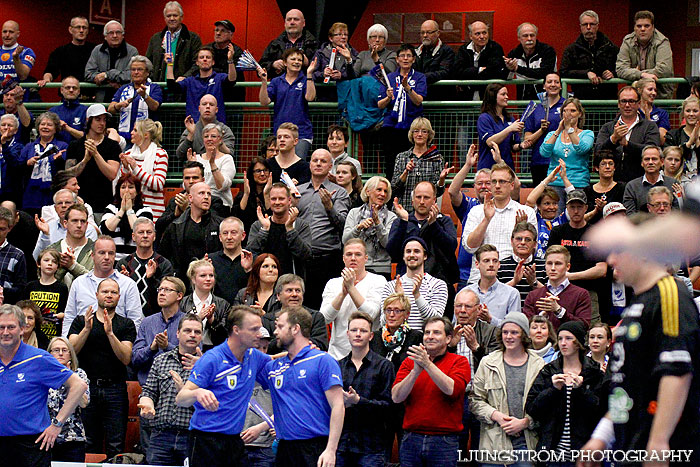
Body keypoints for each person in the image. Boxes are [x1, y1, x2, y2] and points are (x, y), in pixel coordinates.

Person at [581, 225, 700, 464]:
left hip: (669, 445)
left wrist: (659, 441)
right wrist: (601, 437)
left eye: (620, 250)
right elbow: (626, 384)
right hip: (631, 443)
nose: (612, 259)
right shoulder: (637, 304)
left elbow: (676, 372)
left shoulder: (669, 292)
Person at [175, 306, 271, 467]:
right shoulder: (213, 359)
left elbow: (278, 364)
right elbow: (181, 399)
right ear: (236, 330)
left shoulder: (254, 356)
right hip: (205, 439)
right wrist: (197, 392)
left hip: (234, 440)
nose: (259, 335)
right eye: (254, 329)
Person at [0, 304, 88, 467]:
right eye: (1, 327)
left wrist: (57, 424)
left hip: (31, 445)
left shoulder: (38, 358)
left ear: (22, 329)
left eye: (11, 327)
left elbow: (79, 385)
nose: (5, 332)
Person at [259, 306, 344, 467]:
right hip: (284, 448)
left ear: (296, 328)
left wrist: (331, 449)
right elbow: (243, 365)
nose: (275, 332)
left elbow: (338, 406)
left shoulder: (323, 360)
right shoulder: (274, 367)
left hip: (315, 448)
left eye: (280, 326)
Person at [67, 278, 136, 459]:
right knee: (89, 442)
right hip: (86, 389)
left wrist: (110, 333)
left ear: (119, 297)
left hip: (115, 389)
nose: (109, 295)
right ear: (96, 294)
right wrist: (87, 329)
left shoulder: (126, 324)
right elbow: (71, 351)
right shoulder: (82, 321)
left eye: (113, 292)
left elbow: (126, 357)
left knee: (116, 444)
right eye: (105, 291)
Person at [392, 316, 470, 467]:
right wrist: (415, 372)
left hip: (444, 442)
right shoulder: (410, 361)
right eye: (427, 332)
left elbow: (452, 389)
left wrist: (427, 364)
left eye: (436, 332)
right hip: (411, 439)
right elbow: (396, 397)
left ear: (448, 339)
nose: (430, 336)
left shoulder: (459, 362)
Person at [526, 321, 606, 460]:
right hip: (552, 451)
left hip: (584, 451)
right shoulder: (548, 370)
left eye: (568, 339)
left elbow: (602, 411)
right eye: (560, 338)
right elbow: (532, 409)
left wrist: (581, 391)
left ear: (579, 343)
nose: (563, 343)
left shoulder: (593, 373)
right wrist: (553, 390)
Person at [469, 312, 545, 458]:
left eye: (514, 332)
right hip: (493, 442)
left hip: (527, 442)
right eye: (505, 332)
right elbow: (475, 400)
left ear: (524, 335)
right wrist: (497, 416)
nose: (508, 336)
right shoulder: (488, 362)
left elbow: (545, 405)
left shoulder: (539, 365)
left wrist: (525, 422)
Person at [139, 313, 203, 466]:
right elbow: (149, 391)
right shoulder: (161, 360)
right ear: (178, 333)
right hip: (161, 436)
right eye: (187, 330)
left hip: (192, 436)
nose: (192, 335)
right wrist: (147, 404)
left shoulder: (208, 365)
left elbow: (212, 405)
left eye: (197, 332)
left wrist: (185, 392)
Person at [337, 311, 394, 466]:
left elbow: (389, 407)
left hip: (372, 445)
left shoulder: (384, 366)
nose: (358, 334)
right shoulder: (337, 366)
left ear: (371, 336)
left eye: (363, 331)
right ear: (347, 334)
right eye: (354, 330)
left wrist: (358, 401)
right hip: (342, 444)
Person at [463, 162, 537, 281]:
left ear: (512, 185)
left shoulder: (526, 212)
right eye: (494, 181)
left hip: (514, 276)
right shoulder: (476, 211)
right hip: (480, 278)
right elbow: (470, 247)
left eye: (502, 182)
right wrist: (486, 219)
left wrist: (520, 229)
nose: (497, 186)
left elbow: (532, 251)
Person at [448, 287, 501, 455]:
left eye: (468, 306)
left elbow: (496, 368)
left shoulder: (491, 331)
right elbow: (436, 366)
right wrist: (450, 347)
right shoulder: (445, 331)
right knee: (457, 451)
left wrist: (476, 348)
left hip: (482, 398)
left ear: (479, 309)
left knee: (481, 450)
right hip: (455, 399)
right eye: (458, 306)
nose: (462, 311)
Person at [61, 233, 143, 336]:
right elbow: (69, 317)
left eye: (111, 253)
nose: (107, 257)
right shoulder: (79, 283)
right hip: (82, 344)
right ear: (92, 256)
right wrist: (67, 345)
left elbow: (135, 320)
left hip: (118, 345)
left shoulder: (128, 284)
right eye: (102, 253)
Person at [297, 149, 350, 309]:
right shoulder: (298, 192)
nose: (318, 163)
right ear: (310, 164)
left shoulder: (339, 192)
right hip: (301, 259)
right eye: (315, 160)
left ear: (330, 167)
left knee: (326, 307)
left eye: (323, 161)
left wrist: (329, 207)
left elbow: (342, 225)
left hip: (327, 259)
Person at [388, 181, 458, 297]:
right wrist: (405, 222)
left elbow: (450, 248)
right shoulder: (401, 221)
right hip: (406, 283)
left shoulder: (443, 221)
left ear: (434, 200)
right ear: (412, 199)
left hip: (439, 283)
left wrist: (433, 225)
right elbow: (393, 253)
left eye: (426, 197)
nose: (421, 201)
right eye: (418, 197)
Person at [547, 191, 607, 323]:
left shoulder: (595, 233)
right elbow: (550, 262)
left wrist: (570, 276)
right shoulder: (557, 232)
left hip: (588, 292)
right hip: (560, 292)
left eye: (579, 207)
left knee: (591, 334)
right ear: (566, 208)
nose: (576, 211)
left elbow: (602, 270)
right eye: (572, 207)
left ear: (586, 208)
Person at [320, 239, 386, 360]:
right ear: (343, 258)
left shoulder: (378, 280)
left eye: (358, 254)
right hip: (337, 354)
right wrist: (342, 294)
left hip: (369, 355)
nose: (353, 258)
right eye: (349, 254)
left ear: (366, 258)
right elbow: (324, 318)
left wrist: (351, 288)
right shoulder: (332, 283)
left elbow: (371, 314)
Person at [377, 44, 427, 180]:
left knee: (412, 163)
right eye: (402, 56)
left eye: (409, 56)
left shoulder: (420, 77)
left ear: (414, 59)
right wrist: (388, 97)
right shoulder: (389, 78)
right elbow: (380, 104)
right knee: (390, 163)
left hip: (412, 128)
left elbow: (418, 101)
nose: (405, 59)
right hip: (391, 127)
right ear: (397, 59)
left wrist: (408, 88)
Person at [258, 49, 317, 159]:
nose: (297, 62)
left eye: (300, 60)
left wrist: (309, 74)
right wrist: (264, 81)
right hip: (280, 133)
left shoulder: (305, 80)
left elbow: (310, 97)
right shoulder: (276, 81)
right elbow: (264, 101)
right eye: (293, 59)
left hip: (302, 133)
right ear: (285, 62)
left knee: (296, 164)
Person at [159, 181, 224, 281]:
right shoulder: (176, 225)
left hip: (211, 278)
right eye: (201, 193)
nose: (206, 197)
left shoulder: (219, 224)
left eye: (209, 194)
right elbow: (164, 255)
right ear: (190, 198)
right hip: (182, 279)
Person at [594, 86, 661, 182]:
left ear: (638, 104)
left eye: (631, 101)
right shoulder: (607, 127)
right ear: (618, 104)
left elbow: (653, 150)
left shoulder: (649, 126)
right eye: (624, 101)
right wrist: (613, 139)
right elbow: (597, 152)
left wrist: (627, 144)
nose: (627, 105)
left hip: (640, 181)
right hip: (613, 182)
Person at [64, 104, 122, 213]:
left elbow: (112, 174)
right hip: (80, 202)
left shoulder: (112, 145)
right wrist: (85, 160)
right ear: (88, 120)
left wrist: (96, 154)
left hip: (104, 203)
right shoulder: (75, 145)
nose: (102, 123)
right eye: (98, 119)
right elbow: (68, 175)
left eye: (104, 120)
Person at [247, 182, 312, 277]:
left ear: (289, 201)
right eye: (273, 199)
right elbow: (250, 255)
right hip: (264, 282)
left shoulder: (300, 225)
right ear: (269, 201)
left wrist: (290, 229)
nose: (277, 202)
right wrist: (264, 230)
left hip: (291, 283)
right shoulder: (259, 225)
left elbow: (306, 255)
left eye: (281, 198)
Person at [381, 237, 448, 329]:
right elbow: (383, 322)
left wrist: (417, 296)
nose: (412, 255)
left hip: (425, 340)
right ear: (404, 256)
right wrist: (399, 299)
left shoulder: (437, 285)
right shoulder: (391, 286)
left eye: (416, 251)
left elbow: (435, 321)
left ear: (425, 256)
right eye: (408, 251)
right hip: (398, 341)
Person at [523, 245, 592, 331]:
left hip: (568, 343)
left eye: (558, 264)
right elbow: (525, 326)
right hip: (540, 343)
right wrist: (541, 317)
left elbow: (584, 326)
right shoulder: (533, 295)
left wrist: (559, 311)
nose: (552, 268)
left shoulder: (581, 294)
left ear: (568, 267)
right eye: (549, 263)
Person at [448, 149, 490, 289]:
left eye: (487, 183)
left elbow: (516, 188)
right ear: (474, 187)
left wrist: (500, 162)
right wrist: (467, 165)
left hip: (492, 272)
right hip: (466, 274)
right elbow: (453, 192)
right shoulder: (469, 205)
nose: (483, 186)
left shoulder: (501, 207)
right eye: (480, 183)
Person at [539, 98, 594, 204]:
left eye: (573, 111)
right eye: (565, 111)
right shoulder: (552, 134)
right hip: (555, 183)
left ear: (580, 114)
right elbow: (544, 152)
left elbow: (581, 149)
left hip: (578, 183)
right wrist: (559, 130)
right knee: (554, 217)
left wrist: (570, 129)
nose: (568, 114)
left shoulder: (587, 134)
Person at [116, 218, 173, 317]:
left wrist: (151, 278)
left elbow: (168, 295)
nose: (145, 236)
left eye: (149, 232)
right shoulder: (124, 263)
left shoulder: (164, 264)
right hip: (128, 319)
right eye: (141, 232)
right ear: (133, 236)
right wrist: (122, 282)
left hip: (156, 318)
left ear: (154, 236)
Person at [46, 336, 90, 462]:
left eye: (64, 350)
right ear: (49, 354)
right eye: (56, 350)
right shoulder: (43, 374)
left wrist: (70, 380)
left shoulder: (79, 374)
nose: (60, 353)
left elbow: (84, 403)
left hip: (73, 437)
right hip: (47, 436)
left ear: (70, 355)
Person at [260, 274, 329, 353]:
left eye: (298, 290)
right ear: (278, 296)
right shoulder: (267, 320)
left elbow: (321, 344)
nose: (294, 294)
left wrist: (286, 337)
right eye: (289, 290)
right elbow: (265, 347)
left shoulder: (316, 317)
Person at [343, 176, 396, 278]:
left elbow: (388, 244)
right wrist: (359, 227)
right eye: (379, 190)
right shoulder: (354, 213)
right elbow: (345, 241)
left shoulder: (391, 216)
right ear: (367, 192)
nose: (382, 194)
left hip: (382, 268)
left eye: (385, 191)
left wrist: (377, 223)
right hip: (356, 267)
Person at [168, 46, 236, 124]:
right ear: (197, 62)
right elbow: (172, 87)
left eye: (208, 57)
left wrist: (230, 60)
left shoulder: (219, 78)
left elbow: (232, 80)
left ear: (213, 62)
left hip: (216, 127)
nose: (204, 59)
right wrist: (170, 64)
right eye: (201, 57)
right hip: (194, 126)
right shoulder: (190, 81)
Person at [560, 10, 619, 100]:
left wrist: (613, 73)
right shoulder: (571, 50)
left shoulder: (611, 48)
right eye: (585, 24)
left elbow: (623, 68)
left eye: (592, 24)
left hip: (608, 100)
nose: (588, 27)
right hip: (581, 100)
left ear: (597, 26)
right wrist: (586, 73)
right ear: (580, 26)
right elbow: (564, 72)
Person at [155, 160, 226, 236]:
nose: (191, 181)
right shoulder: (176, 200)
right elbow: (159, 226)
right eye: (187, 178)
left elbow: (216, 225)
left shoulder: (213, 200)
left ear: (203, 180)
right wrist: (175, 214)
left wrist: (187, 210)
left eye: (195, 178)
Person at [391, 117, 446, 211]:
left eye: (424, 131)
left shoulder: (436, 158)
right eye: (416, 131)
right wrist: (406, 172)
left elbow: (438, 192)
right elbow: (394, 189)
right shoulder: (402, 157)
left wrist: (441, 180)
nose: (419, 134)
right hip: (403, 210)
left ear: (429, 135)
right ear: (411, 134)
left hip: (426, 213)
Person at [616, 10, 674, 99]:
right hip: (634, 96)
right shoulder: (628, 41)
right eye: (639, 26)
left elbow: (664, 69)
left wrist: (635, 73)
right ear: (634, 28)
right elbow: (620, 69)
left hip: (659, 96)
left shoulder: (662, 42)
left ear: (653, 27)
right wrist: (641, 75)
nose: (642, 29)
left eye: (647, 26)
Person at [118, 119, 168, 220]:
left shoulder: (160, 154)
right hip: (131, 211)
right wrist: (126, 168)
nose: (131, 133)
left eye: (135, 130)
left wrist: (135, 168)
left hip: (154, 212)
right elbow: (123, 184)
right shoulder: (128, 153)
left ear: (146, 135)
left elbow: (158, 184)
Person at [20, 112, 68, 214]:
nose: (45, 127)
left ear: (56, 129)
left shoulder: (62, 146)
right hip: (31, 195)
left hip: (52, 193)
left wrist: (56, 160)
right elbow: (18, 166)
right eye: (42, 124)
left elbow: (64, 169)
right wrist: (28, 163)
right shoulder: (29, 147)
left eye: (49, 125)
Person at [108, 56, 163, 145]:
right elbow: (110, 109)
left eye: (140, 69)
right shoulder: (123, 88)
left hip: (145, 138)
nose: (136, 72)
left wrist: (145, 96)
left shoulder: (154, 88)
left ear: (147, 72)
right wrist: (119, 105)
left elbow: (155, 106)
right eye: (133, 69)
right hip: (124, 137)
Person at [523, 73, 564, 185]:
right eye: (549, 82)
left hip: (561, 161)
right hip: (539, 161)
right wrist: (541, 130)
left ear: (561, 86)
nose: (553, 85)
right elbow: (527, 140)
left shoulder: (567, 106)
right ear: (544, 86)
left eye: (556, 82)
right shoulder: (535, 109)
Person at [180, 259, 231, 349]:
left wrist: (212, 320)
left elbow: (226, 337)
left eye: (211, 275)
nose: (208, 279)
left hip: (214, 351)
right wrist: (197, 319)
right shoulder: (182, 303)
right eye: (203, 276)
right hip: (187, 350)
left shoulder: (223, 304)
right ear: (193, 279)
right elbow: (177, 331)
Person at [145, 1, 202, 82]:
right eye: (168, 16)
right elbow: (148, 63)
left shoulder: (193, 38)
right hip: (158, 87)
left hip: (182, 87)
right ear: (164, 18)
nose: (172, 18)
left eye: (175, 15)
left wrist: (185, 77)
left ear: (181, 17)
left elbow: (197, 63)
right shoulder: (155, 39)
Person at [477, 83, 529, 170]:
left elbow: (513, 146)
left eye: (507, 94)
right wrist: (509, 129)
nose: (507, 97)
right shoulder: (484, 118)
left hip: (506, 167)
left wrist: (521, 145)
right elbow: (490, 142)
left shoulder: (510, 118)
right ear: (493, 96)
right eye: (503, 94)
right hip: (488, 167)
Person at [100, 174, 153, 259]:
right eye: (123, 187)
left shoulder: (145, 210)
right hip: (113, 259)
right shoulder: (111, 208)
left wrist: (129, 210)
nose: (126, 191)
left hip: (135, 259)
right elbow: (106, 229)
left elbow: (139, 229)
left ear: (137, 191)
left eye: (131, 187)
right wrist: (121, 211)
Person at [525, 163, 572, 258]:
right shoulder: (534, 219)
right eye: (547, 203)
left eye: (554, 203)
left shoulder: (563, 220)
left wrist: (564, 178)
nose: (551, 207)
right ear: (538, 206)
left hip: (558, 264)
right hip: (537, 264)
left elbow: (574, 198)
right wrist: (548, 179)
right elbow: (530, 200)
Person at [84, 21, 139, 102]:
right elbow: (88, 74)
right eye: (111, 33)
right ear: (105, 36)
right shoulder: (97, 50)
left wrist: (107, 75)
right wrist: (108, 82)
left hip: (125, 100)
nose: (115, 36)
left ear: (123, 35)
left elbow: (132, 75)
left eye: (118, 32)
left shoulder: (132, 51)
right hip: (102, 100)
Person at [467, 244, 521, 326]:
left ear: (499, 265)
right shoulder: (466, 292)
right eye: (486, 261)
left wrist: (490, 319)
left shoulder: (512, 294)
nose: (491, 264)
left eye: (495, 261)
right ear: (477, 264)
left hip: (500, 338)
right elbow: (456, 324)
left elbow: (515, 327)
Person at [453, 20, 508, 101]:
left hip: (489, 97)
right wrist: (480, 69)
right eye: (477, 34)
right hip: (466, 97)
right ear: (471, 36)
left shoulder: (495, 48)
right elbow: (457, 72)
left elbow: (494, 72)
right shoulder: (463, 49)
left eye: (484, 33)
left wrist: (469, 78)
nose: (482, 36)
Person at [185, 123, 236, 208]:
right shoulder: (196, 158)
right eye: (206, 136)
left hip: (220, 205)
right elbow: (187, 187)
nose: (209, 139)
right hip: (197, 205)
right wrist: (193, 166)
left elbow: (223, 186)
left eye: (213, 136)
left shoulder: (227, 159)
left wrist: (212, 164)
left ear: (220, 140)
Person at [259, 9, 318, 81]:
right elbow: (260, 69)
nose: (292, 22)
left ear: (303, 23)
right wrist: (273, 65)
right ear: (285, 23)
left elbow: (322, 69)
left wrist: (308, 63)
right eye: (289, 19)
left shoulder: (314, 43)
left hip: (306, 87)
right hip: (280, 88)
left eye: (296, 19)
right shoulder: (275, 44)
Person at [47, 204, 96, 289]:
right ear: (65, 223)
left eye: (83, 221)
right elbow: (44, 282)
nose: (79, 225)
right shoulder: (52, 250)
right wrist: (61, 268)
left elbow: (96, 282)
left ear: (87, 224)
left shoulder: (96, 251)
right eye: (74, 221)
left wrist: (73, 266)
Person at [497, 222, 547, 305]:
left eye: (528, 239)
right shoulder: (500, 266)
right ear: (512, 241)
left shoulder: (545, 265)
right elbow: (494, 297)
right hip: (507, 315)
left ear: (535, 244)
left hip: (537, 315)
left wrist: (534, 283)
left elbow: (553, 296)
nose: (523, 242)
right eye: (519, 239)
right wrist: (514, 282)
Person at [23, 248, 69, 339]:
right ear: (38, 264)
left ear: (58, 266)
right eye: (46, 260)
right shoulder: (30, 286)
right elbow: (22, 309)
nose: (50, 263)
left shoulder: (62, 288)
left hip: (53, 334)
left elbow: (66, 312)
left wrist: (57, 316)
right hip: (32, 335)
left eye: (54, 262)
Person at [175, 94, 237, 161]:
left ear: (216, 110)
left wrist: (220, 142)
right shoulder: (191, 129)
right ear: (199, 108)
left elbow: (230, 155)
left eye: (211, 104)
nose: (207, 107)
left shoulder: (224, 130)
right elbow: (180, 155)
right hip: (196, 168)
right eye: (204, 104)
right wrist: (191, 134)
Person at [504, 23, 556, 100]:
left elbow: (543, 73)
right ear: (519, 38)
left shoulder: (547, 51)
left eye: (532, 35)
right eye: (525, 36)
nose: (529, 39)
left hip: (547, 100)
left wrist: (517, 69)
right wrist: (509, 68)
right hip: (523, 101)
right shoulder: (514, 53)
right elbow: (506, 77)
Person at [39, 17, 96, 86]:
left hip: (91, 94)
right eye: (78, 27)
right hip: (68, 94)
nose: (81, 30)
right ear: (70, 30)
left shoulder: (96, 50)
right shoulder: (60, 51)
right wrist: (46, 79)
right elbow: (50, 71)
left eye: (84, 28)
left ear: (88, 31)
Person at [208, 217, 253, 304]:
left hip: (245, 310)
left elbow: (260, 288)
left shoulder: (252, 259)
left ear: (243, 236)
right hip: (217, 310)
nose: (229, 237)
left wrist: (249, 270)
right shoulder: (211, 260)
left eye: (233, 233)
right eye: (225, 233)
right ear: (220, 237)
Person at [623, 145, 678, 214]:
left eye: (654, 159)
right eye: (647, 159)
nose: (650, 162)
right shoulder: (632, 186)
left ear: (662, 162)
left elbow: (677, 212)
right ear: (642, 163)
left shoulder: (673, 184)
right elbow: (630, 215)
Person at [312, 22, 358, 101]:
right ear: (331, 38)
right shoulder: (320, 53)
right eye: (339, 34)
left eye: (346, 35)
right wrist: (323, 74)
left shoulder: (354, 54)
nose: (343, 37)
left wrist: (342, 75)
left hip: (347, 97)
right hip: (324, 96)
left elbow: (357, 75)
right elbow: (311, 74)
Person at [203, 20, 244, 103]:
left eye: (223, 31)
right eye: (217, 30)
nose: (218, 33)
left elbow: (230, 75)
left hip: (232, 97)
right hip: (209, 95)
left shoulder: (237, 51)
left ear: (231, 35)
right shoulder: (207, 49)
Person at [414, 20, 455, 100]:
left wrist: (421, 77)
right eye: (422, 33)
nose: (425, 35)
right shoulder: (415, 52)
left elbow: (444, 72)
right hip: (419, 100)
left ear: (438, 33)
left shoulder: (447, 51)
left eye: (429, 32)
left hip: (441, 100)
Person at [583, 150, 626, 225]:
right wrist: (596, 210)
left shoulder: (622, 188)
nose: (607, 167)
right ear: (596, 168)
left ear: (614, 168)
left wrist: (606, 208)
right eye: (603, 164)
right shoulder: (587, 191)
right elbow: (582, 219)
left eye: (611, 164)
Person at [231, 157, 271, 233]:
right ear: (251, 174)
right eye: (258, 171)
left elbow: (273, 216)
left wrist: (266, 194)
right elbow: (237, 218)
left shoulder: (275, 193)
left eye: (265, 170)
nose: (262, 174)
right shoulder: (243, 195)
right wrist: (246, 194)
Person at [665, 96, 700, 176]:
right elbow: (670, 160)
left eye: (695, 111)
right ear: (683, 113)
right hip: (678, 179)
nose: (691, 114)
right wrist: (689, 143)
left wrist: (698, 143)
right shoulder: (672, 136)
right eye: (688, 111)